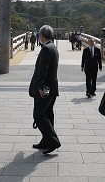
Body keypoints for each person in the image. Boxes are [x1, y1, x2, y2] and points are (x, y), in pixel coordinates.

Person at [29, 25, 61, 155]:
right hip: (52, 88)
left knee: (38, 114)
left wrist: (40, 87)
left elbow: (43, 70)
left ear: (41, 35)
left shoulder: (45, 49)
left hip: (45, 89)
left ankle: (53, 141)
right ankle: (46, 140)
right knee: (48, 114)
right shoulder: (53, 48)